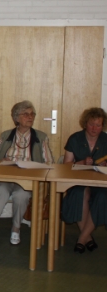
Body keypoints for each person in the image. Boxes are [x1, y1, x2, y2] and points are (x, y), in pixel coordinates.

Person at [0, 101, 54, 249]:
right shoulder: (6, 136)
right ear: (16, 118)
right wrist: (0, 161)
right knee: (1, 191)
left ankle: (16, 229)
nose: (30, 117)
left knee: (21, 195)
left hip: (26, 180)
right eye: (26, 114)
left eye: (32, 114)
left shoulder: (41, 137)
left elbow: (49, 163)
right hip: (5, 178)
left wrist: (33, 166)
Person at [61, 107, 107, 254]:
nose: (94, 128)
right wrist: (80, 163)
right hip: (78, 181)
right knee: (79, 194)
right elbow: (66, 164)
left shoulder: (106, 139)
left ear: (103, 126)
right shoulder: (75, 138)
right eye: (91, 124)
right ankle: (87, 238)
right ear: (85, 123)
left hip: (100, 184)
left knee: (102, 197)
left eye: (98, 125)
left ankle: (82, 238)